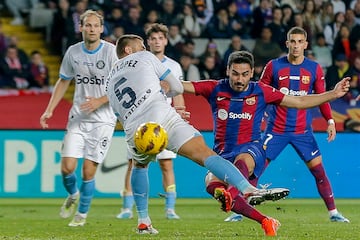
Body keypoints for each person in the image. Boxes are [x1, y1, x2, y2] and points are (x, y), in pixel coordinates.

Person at [106, 34, 295, 235]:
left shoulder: (109, 81)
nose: (144, 47)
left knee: (139, 166)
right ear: (129, 50)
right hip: (163, 117)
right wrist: (165, 100)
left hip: (137, 131)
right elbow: (177, 86)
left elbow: (119, 114)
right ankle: (247, 189)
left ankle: (143, 221)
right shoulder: (145, 57)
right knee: (206, 155)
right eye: (141, 45)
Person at [182, 50, 350, 234]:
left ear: (252, 72)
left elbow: (300, 100)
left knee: (242, 163)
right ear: (228, 70)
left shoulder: (261, 91)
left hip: (251, 150)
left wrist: (333, 94)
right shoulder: (214, 88)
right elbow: (180, 86)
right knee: (211, 184)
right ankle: (265, 221)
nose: (240, 79)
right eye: (235, 73)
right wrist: (156, 80)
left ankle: (237, 191)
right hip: (223, 154)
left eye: (245, 74)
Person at [260, 26, 350, 223]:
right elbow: (260, 93)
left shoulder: (314, 68)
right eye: (292, 41)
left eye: (300, 42)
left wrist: (330, 120)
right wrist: (258, 115)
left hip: (303, 132)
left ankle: (333, 213)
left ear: (306, 44)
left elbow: (322, 97)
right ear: (287, 43)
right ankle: (237, 211)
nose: (296, 46)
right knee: (255, 168)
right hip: (276, 129)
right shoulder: (273, 66)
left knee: (319, 171)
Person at [39, 10, 118, 227]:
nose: (91, 29)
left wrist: (99, 101)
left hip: (103, 120)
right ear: (80, 27)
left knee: (88, 171)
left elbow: (119, 86)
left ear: (101, 29)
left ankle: (81, 215)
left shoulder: (111, 53)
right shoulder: (73, 52)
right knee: (66, 167)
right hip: (78, 117)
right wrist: (49, 110)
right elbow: (63, 81)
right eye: (87, 25)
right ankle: (73, 194)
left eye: (95, 26)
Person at [116, 23, 186, 220]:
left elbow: (178, 91)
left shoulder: (173, 66)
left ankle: (170, 208)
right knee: (134, 164)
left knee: (166, 165)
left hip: (164, 119)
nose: (157, 42)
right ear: (147, 42)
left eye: (160, 38)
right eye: (153, 39)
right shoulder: (133, 63)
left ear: (166, 40)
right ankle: (127, 207)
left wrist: (180, 110)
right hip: (140, 121)